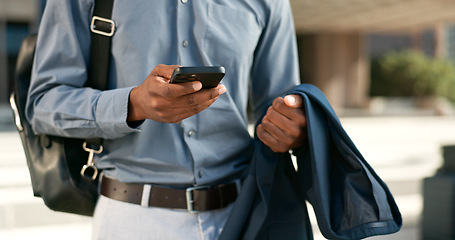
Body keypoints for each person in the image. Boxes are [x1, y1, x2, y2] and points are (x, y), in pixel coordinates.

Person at [26, 0, 306, 239]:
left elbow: (281, 107)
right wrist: (133, 104)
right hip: (133, 220)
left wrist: (292, 126)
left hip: (242, 217)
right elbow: (43, 102)